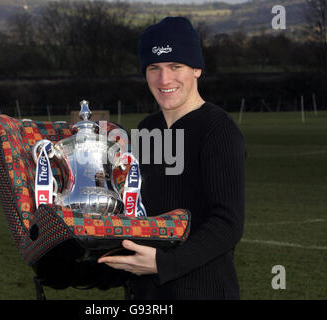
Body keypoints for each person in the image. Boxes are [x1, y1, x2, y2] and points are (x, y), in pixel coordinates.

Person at [98, 16, 246, 300]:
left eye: (175, 66)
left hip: (203, 292)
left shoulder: (218, 130)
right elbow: (136, 212)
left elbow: (227, 224)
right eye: (154, 68)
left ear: (196, 69)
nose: (164, 79)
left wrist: (163, 264)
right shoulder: (146, 129)